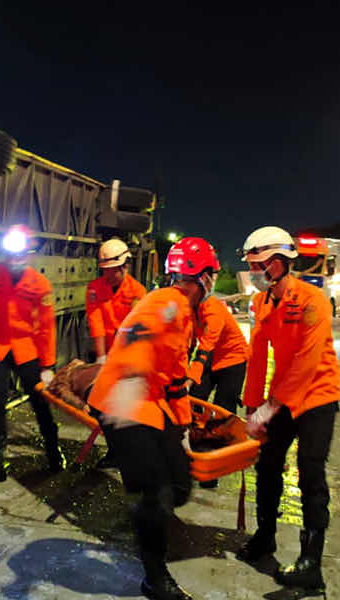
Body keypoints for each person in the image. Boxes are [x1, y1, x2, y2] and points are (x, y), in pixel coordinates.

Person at [86, 237, 219, 600]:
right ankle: (155, 578)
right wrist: (132, 395)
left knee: (179, 484)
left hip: (147, 400)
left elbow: (173, 374)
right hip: (125, 402)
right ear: (203, 276)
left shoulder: (172, 305)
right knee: (156, 492)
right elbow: (141, 347)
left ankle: (146, 517)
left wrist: (182, 426)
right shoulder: (171, 306)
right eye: (211, 275)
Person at [235, 226, 340, 595]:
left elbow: (307, 362)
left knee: (311, 473)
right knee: (267, 467)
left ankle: (311, 563)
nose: (253, 272)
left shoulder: (313, 300)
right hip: (280, 396)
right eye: (251, 265)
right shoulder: (261, 303)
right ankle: (265, 536)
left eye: (258, 265)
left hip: (317, 396)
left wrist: (270, 407)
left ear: (279, 263)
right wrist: (252, 406)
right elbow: (256, 355)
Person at [0, 225, 65, 487]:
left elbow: (46, 327)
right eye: (11, 254)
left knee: (39, 401)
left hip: (26, 349)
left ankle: (53, 449)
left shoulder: (39, 284)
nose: (15, 259)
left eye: (20, 254)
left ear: (29, 253)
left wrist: (48, 365)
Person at [86, 238, 148, 469]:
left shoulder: (137, 292)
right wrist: (101, 357)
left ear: (124, 266)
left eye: (112, 270)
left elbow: (135, 330)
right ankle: (115, 451)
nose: (108, 275)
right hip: (107, 354)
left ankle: (132, 452)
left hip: (129, 355)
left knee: (128, 409)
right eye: (105, 270)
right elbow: (96, 322)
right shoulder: (95, 288)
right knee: (102, 407)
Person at [187, 294, 248, 488]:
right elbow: (189, 341)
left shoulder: (213, 309)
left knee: (223, 411)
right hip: (212, 356)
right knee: (194, 401)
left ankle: (213, 468)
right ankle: (194, 453)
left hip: (233, 358)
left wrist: (191, 377)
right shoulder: (188, 308)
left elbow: (206, 345)